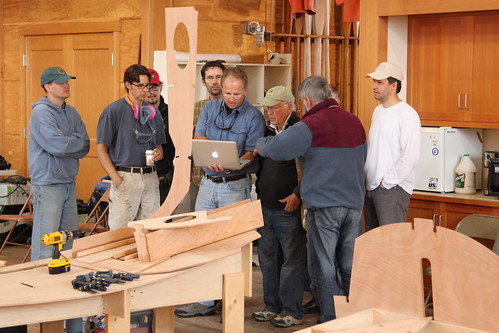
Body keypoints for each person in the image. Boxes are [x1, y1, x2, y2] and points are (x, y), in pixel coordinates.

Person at [254, 76, 366, 323]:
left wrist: (260, 143)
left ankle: (331, 319)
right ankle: (353, 316)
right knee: (349, 264)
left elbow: (277, 149)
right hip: (354, 204)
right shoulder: (354, 121)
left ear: (306, 100)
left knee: (322, 266)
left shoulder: (310, 124)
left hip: (325, 206)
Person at [175, 66, 266, 318]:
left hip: (235, 185)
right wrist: (209, 154)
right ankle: (204, 300)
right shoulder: (209, 108)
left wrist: (233, 162)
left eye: (236, 94)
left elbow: (251, 153)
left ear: (245, 91)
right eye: (227, 93)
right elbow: (199, 135)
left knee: (230, 245)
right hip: (207, 182)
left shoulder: (254, 117)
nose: (231, 98)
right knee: (201, 241)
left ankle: (230, 302)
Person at [29, 66, 90, 332]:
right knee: (46, 242)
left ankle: (65, 296)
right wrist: (70, 143)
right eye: (61, 82)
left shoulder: (72, 112)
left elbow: (84, 143)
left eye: (67, 81)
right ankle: (40, 301)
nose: (66, 85)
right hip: (48, 184)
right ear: (47, 87)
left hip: (68, 183)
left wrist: (70, 143)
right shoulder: (40, 113)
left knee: (67, 240)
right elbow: (57, 145)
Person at [251, 86, 306, 328]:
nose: (269, 112)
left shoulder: (300, 130)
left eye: (273, 107)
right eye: (267, 107)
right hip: (265, 205)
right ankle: (271, 306)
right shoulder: (267, 130)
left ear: (289, 107)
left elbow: (311, 167)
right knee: (268, 259)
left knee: (291, 262)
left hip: (288, 207)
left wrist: (297, 195)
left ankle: (292, 310)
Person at [97, 64, 166, 230]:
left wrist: (158, 153)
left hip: (150, 177)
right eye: (140, 86)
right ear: (128, 85)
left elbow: (159, 146)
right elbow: (101, 149)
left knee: (150, 228)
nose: (146, 90)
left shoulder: (152, 112)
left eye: (148, 85)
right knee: (121, 231)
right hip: (126, 176)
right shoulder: (113, 111)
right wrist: (116, 179)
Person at [364, 62, 421, 231]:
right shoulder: (378, 111)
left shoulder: (407, 114)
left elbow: (411, 156)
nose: (374, 86)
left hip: (392, 189)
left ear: (393, 85)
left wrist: (386, 182)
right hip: (372, 188)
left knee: (392, 246)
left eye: (379, 82)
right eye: (374, 82)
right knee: (373, 244)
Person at [146, 68, 175, 204]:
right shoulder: (133, 113)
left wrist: (167, 177)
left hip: (163, 177)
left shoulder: (173, 114)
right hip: (139, 177)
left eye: (155, 87)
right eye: (148, 87)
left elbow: (180, 148)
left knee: (163, 221)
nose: (151, 92)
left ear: (161, 87)